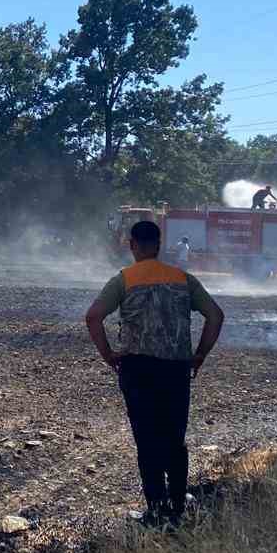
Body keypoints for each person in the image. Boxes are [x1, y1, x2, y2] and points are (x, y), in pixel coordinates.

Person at [85, 219, 224, 527]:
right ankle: (177, 505)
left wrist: (109, 355)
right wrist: (199, 355)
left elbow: (93, 317)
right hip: (175, 369)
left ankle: (156, 509)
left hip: (138, 370)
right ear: (159, 245)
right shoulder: (182, 279)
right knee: (174, 437)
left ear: (132, 245)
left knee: (146, 439)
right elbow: (215, 316)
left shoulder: (124, 279)